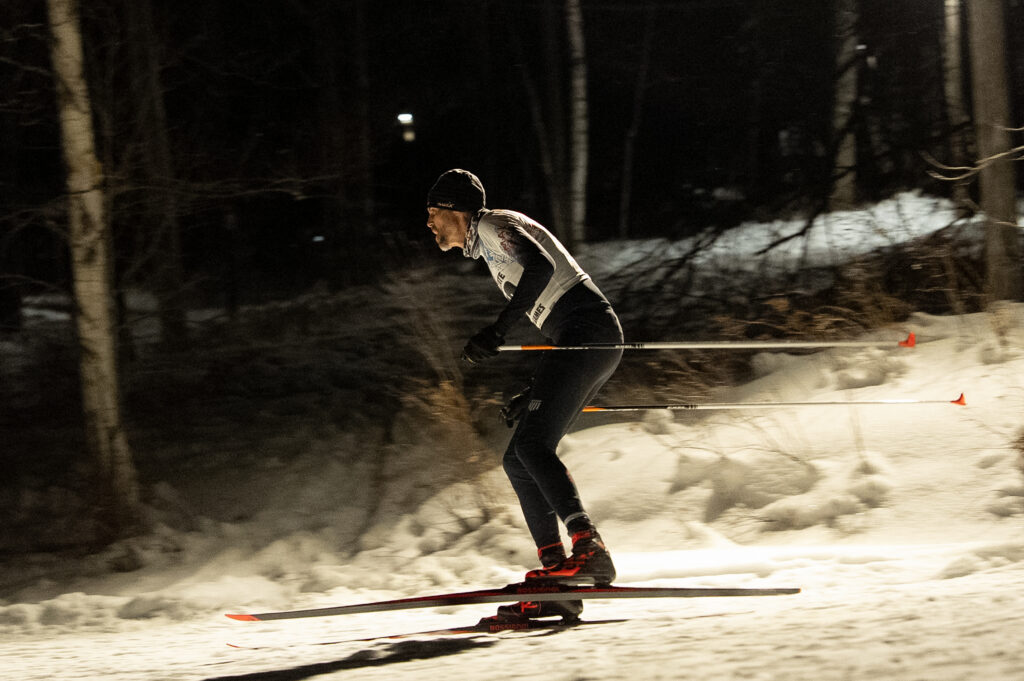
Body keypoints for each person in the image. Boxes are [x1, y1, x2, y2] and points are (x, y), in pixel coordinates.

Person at [425, 168, 623, 622]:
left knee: (533, 446)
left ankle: (589, 547)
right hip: (581, 336)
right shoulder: (492, 240)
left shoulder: (493, 225)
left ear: (457, 210)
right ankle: (559, 576)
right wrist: (534, 388)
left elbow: (542, 268)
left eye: (434, 212)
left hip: (586, 331)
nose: (430, 222)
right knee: (518, 457)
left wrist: (498, 331)